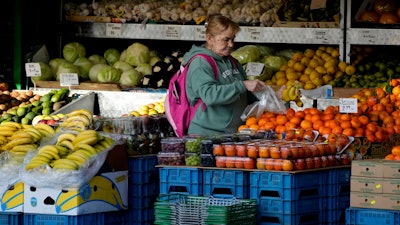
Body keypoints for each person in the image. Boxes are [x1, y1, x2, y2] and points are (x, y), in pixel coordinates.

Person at [183, 14, 267, 136]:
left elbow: (245, 95)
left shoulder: (232, 61)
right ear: (209, 39)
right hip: (206, 135)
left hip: (232, 133)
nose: (231, 44)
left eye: (233, 39)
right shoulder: (201, 64)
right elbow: (209, 95)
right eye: (226, 40)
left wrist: (267, 95)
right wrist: (242, 85)